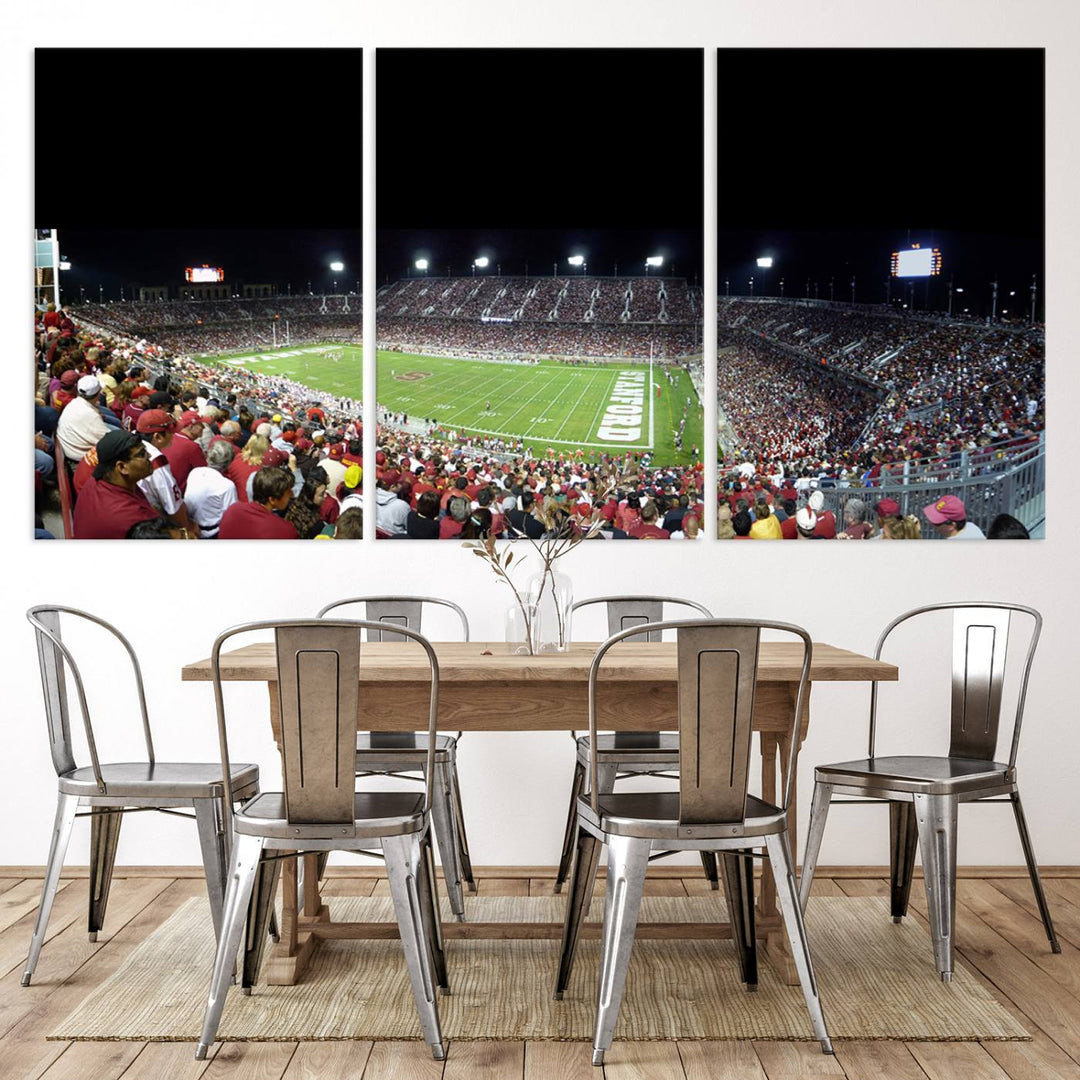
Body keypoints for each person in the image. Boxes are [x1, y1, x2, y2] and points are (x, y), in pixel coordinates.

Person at [73, 431, 162, 539]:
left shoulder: (96, 480)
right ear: (122, 467)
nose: (149, 455)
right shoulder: (132, 518)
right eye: (142, 454)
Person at [218, 466, 298, 539]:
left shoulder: (233, 509)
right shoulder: (285, 531)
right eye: (288, 492)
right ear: (272, 500)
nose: (291, 495)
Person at [184, 440, 239, 538]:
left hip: (191, 527)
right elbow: (232, 517)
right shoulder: (226, 485)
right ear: (229, 463)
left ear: (208, 456)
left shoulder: (195, 473)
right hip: (212, 533)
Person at [56, 375, 110, 463]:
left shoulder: (74, 402)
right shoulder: (90, 415)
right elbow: (110, 440)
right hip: (78, 456)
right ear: (97, 395)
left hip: (70, 448)